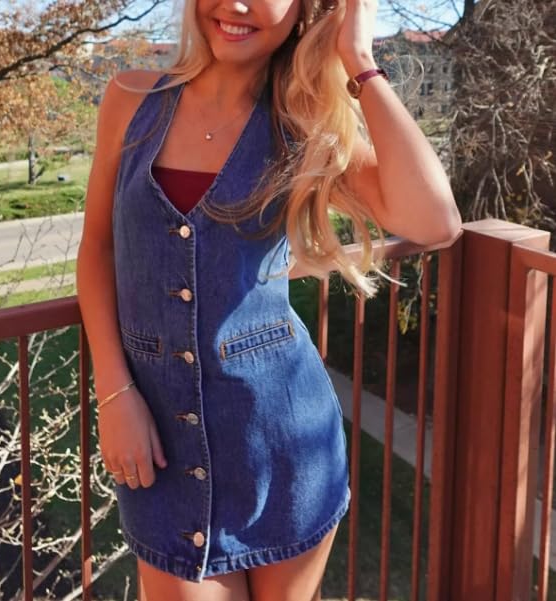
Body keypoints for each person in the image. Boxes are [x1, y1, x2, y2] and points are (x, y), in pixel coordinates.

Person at [76, 0, 462, 599]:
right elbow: (96, 251)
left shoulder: (303, 127)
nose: (236, 5)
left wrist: (360, 61)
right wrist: (115, 392)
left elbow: (436, 221)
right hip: (161, 451)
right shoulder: (130, 100)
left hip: (288, 449)